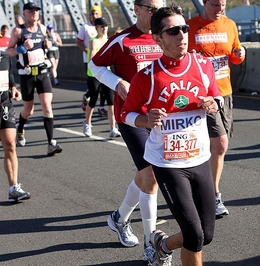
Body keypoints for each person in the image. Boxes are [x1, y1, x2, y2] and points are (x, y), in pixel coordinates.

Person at [121, 5, 220, 265]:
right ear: (157, 38)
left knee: (205, 235)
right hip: (167, 162)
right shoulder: (148, 77)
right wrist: (145, 119)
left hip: (199, 158)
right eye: (173, 31)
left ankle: (161, 244)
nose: (182, 35)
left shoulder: (202, 65)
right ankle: (162, 245)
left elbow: (217, 94)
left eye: (184, 28)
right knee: (193, 234)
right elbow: (126, 114)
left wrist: (214, 103)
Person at [88, 0, 163, 263]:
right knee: (151, 175)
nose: (156, 12)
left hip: (160, 117)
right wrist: (117, 81)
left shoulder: (163, 37)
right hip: (131, 117)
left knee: (144, 175)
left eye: (159, 6)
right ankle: (151, 244)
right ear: (137, 9)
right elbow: (95, 65)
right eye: (151, 7)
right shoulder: (122, 40)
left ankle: (118, 218)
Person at [187, 0, 245, 216]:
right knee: (219, 144)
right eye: (215, 4)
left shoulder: (230, 25)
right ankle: (213, 195)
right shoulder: (190, 26)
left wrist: (240, 54)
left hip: (225, 92)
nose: (220, 8)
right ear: (204, 2)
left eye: (223, 4)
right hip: (202, 96)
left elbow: (235, 52)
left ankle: (200, 188)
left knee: (219, 145)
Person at [6, 2, 62, 156]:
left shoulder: (43, 28)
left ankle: (51, 143)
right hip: (27, 75)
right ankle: (20, 128)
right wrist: (21, 48)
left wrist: (47, 44)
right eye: (31, 11)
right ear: (24, 14)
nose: (35, 13)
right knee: (28, 111)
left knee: (47, 107)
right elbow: (8, 51)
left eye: (37, 11)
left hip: (43, 72)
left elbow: (46, 46)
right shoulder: (18, 31)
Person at [0, 50, 31, 202]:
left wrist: (13, 87)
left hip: (4, 104)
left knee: (10, 145)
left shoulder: (4, 56)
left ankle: (13, 188)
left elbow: (9, 75)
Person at [83, 17, 120, 138]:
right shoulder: (94, 41)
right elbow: (92, 57)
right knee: (93, 101)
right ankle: (87, 124)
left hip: (106, 73)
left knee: (111, 102)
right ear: (96, 28)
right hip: (94, 75)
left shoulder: (109, 41)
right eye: (101, 26)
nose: (104, 29)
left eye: (105, 26)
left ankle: (113, 128)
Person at [75, 5, 107, 116]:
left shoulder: (104, 28)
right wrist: (86, 50)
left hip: (103, 63)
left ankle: (102, 107)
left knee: (104, 87)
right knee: (94, 87)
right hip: (89, 61)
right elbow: (78, 41)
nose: (94, 15)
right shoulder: (86, 27)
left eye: (96, 13)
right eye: (92, 13)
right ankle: (87, 96)